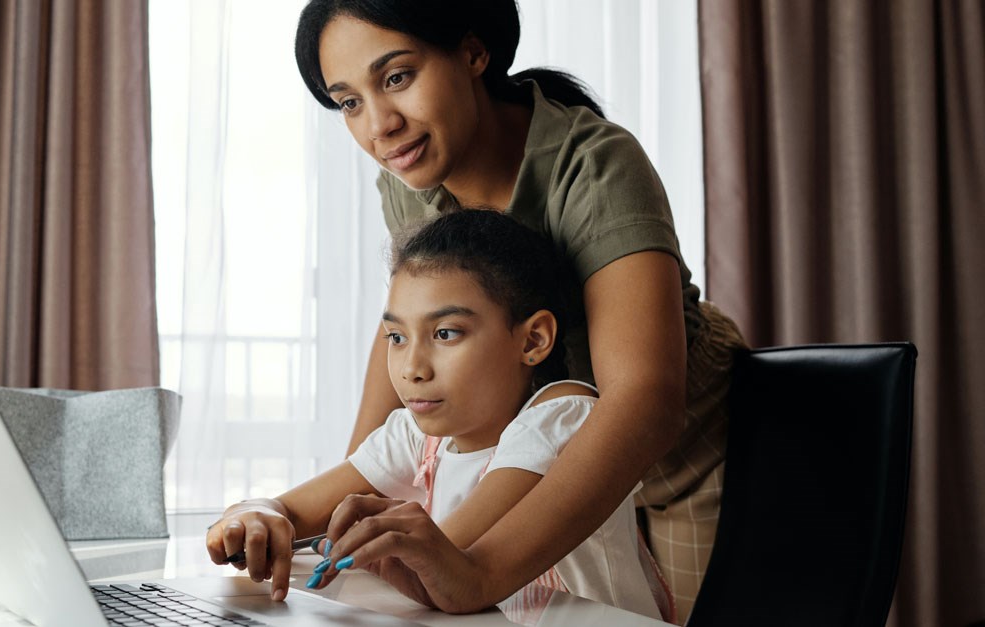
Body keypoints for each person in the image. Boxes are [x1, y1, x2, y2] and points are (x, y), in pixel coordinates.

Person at [292, 0, 747, 621]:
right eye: (349, 102)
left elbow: (644, 399)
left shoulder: (595, 167)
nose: (380, 125)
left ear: (474, 52)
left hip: (680, 454)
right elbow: (404, 329)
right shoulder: (409, 179)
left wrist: (476, 571)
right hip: (536, 460)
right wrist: (340, 513)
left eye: (396, 77)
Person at [206, 210, 663, 620]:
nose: (412, 369)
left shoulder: (563, 416)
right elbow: (290, 508)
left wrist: (353, 541)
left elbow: (444, 562)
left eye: (445, 333)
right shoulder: (418, 436)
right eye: (397, 337)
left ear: (532, 340)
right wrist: (254, 516)